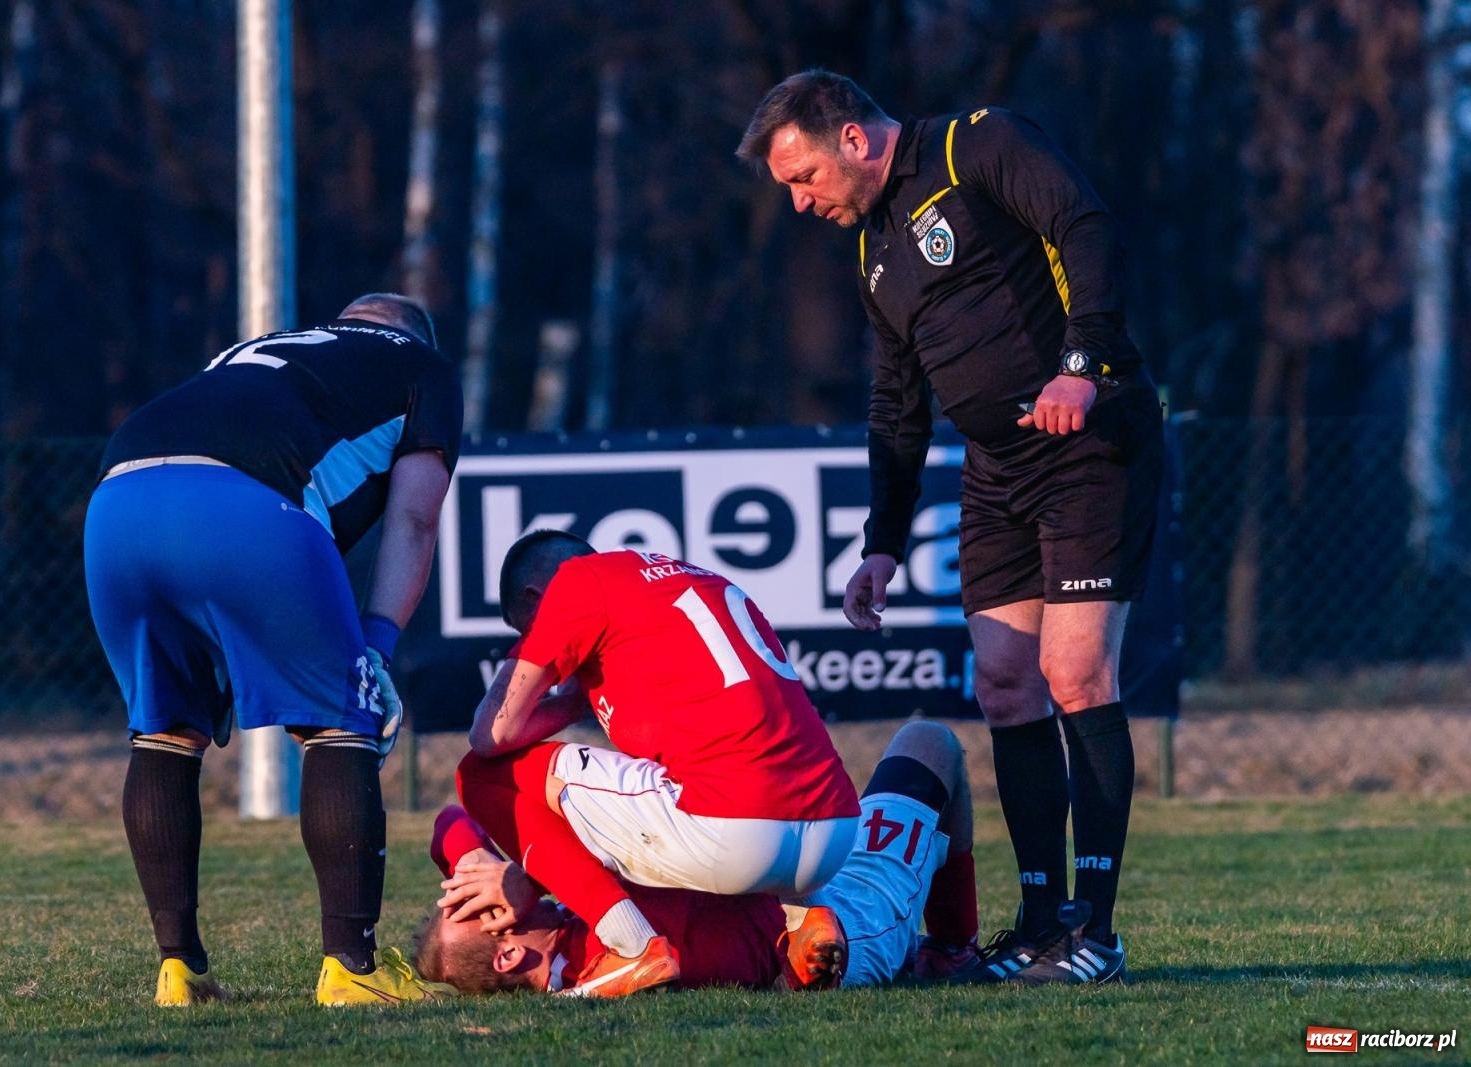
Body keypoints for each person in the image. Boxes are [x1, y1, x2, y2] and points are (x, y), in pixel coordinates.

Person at [737, 70, 1162, 985]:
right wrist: (882, 543)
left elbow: (1086, 228)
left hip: (1088, 436)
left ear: (853, 138)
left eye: (804, 177)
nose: (801, 202)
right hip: (996, 473)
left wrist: (1080, 365)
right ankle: (1043, 922)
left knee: (1074, 672)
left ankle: (1097, 930)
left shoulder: (980, 144)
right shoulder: (871, 252)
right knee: (1007, 687)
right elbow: (897, 404)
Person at [83, 293, 463, 1006]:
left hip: (115, 497)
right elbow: (414, 519)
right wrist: (375, 646)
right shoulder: (423, 365)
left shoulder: (260, 347)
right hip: (242, 500)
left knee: (165, 731)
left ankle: (178, 967)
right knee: (343, 718)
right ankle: (352, 968)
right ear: (415, 336)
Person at [455, 529, 863, 994]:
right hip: (833, 834)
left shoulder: (575, 583)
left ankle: (630, 947)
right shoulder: (687, 580)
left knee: (482, 774)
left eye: (525, 628)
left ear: (536, 597)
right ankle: (807, 913)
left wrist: (555, 680)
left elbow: (492, 734)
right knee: (714, 768)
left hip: (737, 832)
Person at [415, 721, 979, 994]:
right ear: (508, 954)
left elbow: (449, 822)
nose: (478, 890)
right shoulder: (614, 958)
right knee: (930, 743)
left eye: (466, 888)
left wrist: (497, 869)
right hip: (848, 916)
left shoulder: (554, 926)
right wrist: (531, 871)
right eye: (474, 906)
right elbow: (775, 959)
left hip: (792, 867)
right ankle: (951, 950)